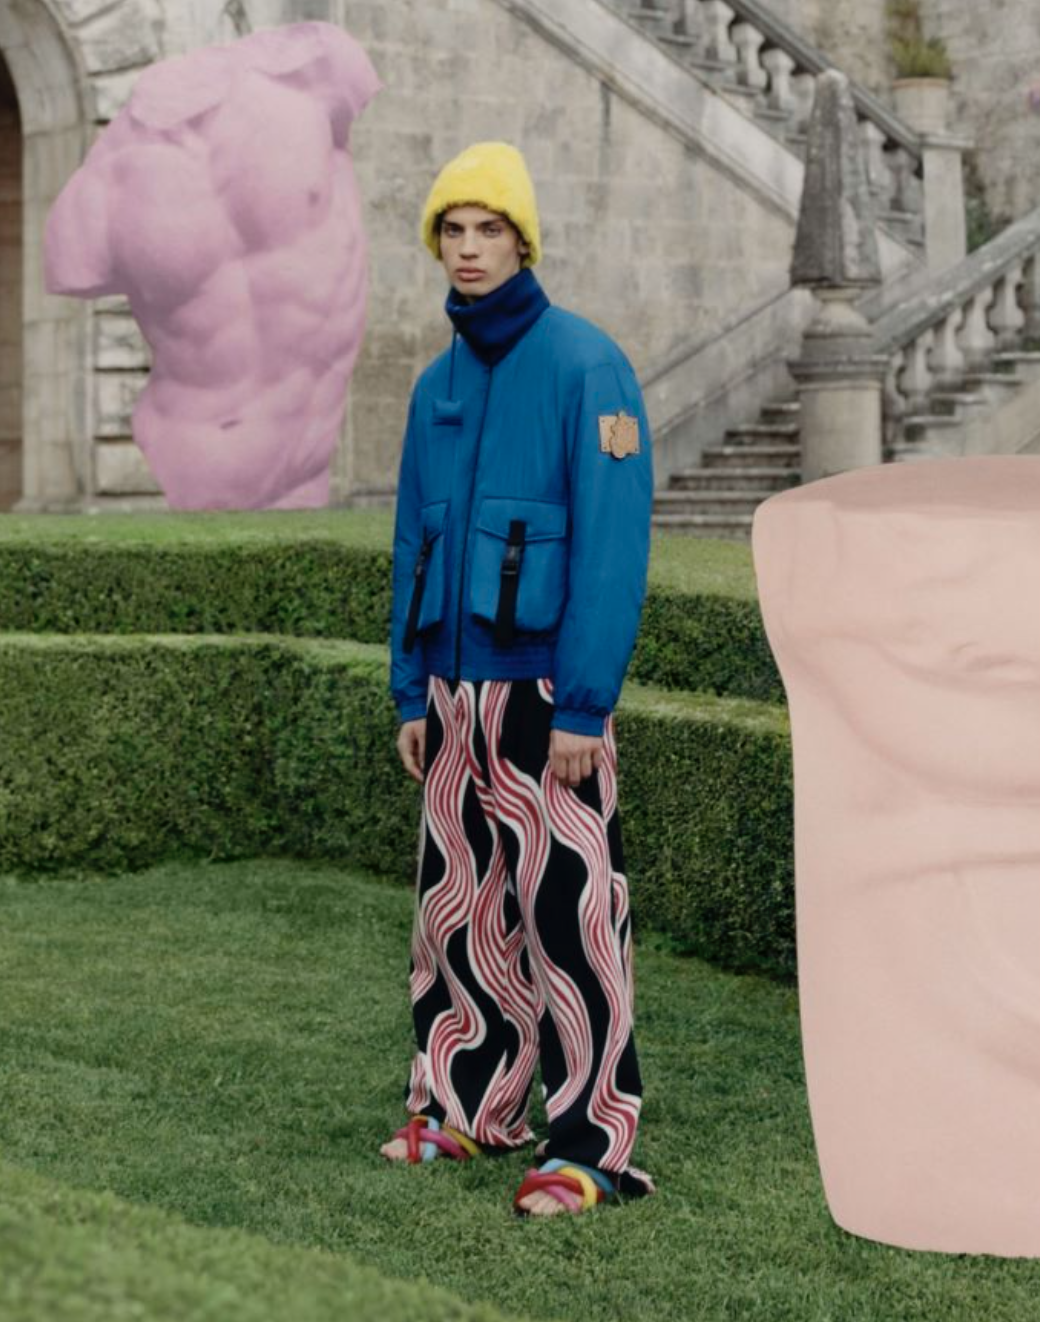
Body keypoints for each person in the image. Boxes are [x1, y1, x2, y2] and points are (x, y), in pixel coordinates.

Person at [384, 141, 655, 1217]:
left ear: (521, 241)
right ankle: (466, 1105)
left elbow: (611, 548)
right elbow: (412, 542)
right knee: (458, 916)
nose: (468, 249)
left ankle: (592, 1145)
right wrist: (411, 688)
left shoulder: (590, 367)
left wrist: (585, 700)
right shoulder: (435, 387)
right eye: (451, 231)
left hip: (547, 697)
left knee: (572, 920)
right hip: (452, 697)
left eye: (487, 229)